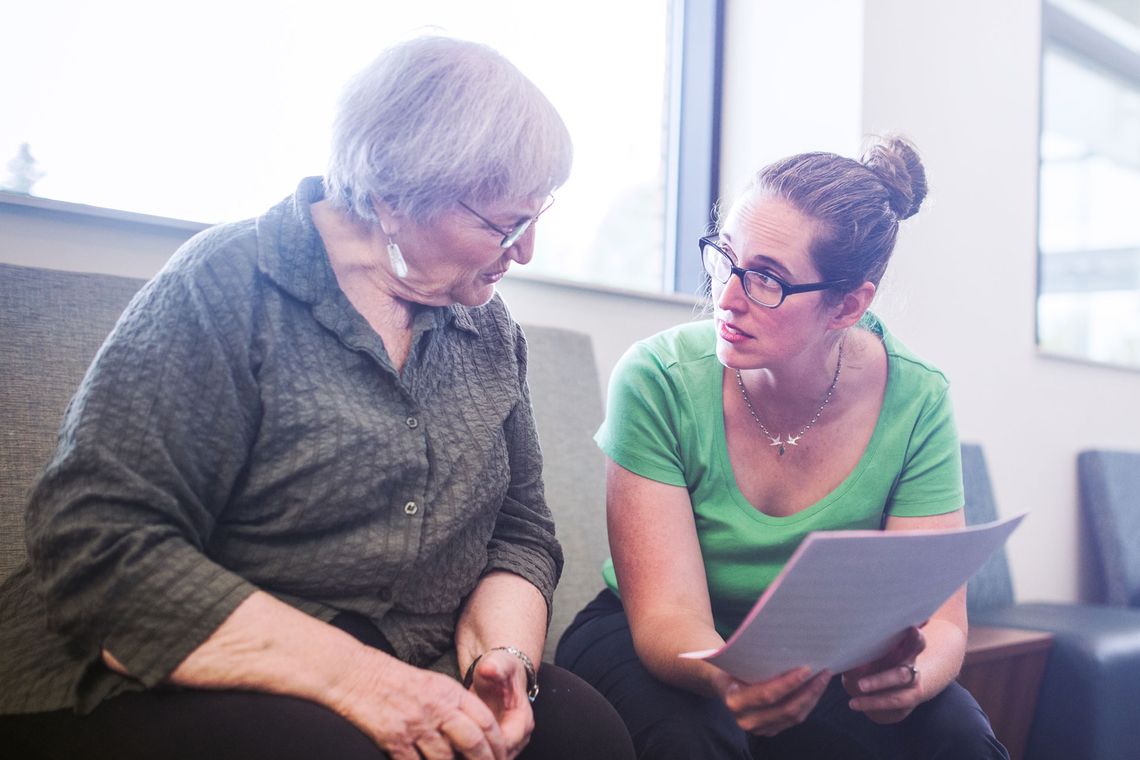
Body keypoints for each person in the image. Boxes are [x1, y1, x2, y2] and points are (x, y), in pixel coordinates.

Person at [0, 36, 634, 760]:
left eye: (535, 217)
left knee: (584, 733)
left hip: (409, 658)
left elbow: (520, 531)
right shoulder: (228, 285)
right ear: (394, 196)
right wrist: (364, 682)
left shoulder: (486, 329)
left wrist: (505, 659)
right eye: (504, 224)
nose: (525, 251)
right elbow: (99, 542)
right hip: (178, 668)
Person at [556, 137, 1009, 759]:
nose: (726, 297)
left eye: (766, 279)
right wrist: (731, 678)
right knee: (697, 738)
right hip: (662, 641)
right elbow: (666, 615)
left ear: (847, 305)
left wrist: (907, 680)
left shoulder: (917, 397)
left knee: (958, 736)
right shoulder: (658, 377)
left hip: (818, 660)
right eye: (726, 258)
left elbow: (943, 624)